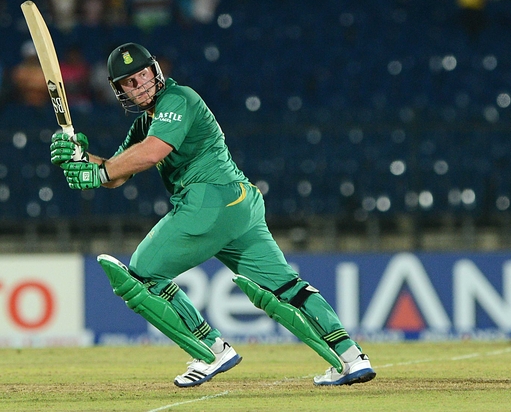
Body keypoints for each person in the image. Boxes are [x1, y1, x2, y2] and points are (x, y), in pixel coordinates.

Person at [49, 43, 376, 388]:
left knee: (141, 275)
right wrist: (83, 158)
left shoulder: (179, 99)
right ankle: (351, 357)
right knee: (285, 287)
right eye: (128, 82)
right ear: (118, 90)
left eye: (142, 74)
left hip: (209, 201)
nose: (139, 85)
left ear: (156, 71)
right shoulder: (147, 122)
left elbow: (152, 152)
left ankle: (211, 349)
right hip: (241, 203)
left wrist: (97, 174)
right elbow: (118, 173)